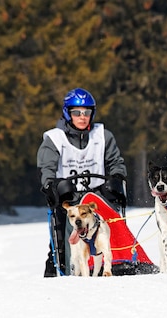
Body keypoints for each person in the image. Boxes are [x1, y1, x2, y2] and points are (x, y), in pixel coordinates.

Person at [37, 87, 127, 277]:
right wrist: (51, 185)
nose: (82, 117)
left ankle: (121, 260)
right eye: (76, 112)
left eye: (87, 112)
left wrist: (117, 179)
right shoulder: (55, 138)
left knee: (110, 225)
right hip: (69, 198)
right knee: (65, 236)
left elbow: (115, 162)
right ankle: (61, 270)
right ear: (68, 113)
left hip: (97, 198)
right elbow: (47, 169)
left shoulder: (103, 135)